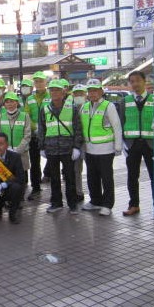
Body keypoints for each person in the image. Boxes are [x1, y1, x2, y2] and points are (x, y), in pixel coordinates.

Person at [122, 71, 154, 220]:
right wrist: (124, 144)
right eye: (132, 82)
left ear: (144, 81)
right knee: (132, 177)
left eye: (137, 81)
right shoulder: (125, 101)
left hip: (151, 144)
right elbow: (121, 122)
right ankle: (133, 205)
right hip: (132, 144)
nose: (135, 84)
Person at [38, 80, 82, 215]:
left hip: (68, 149)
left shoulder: (72, 108)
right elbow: (41, 129)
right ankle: (56, 203)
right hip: (51, 149)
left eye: (57, 90)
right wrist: (42, 147)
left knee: (70, 178)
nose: (54, 93)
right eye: (52, 90)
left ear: (63, 92)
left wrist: (76, 147)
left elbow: (77, 128)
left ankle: (72, 204)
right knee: (54, 179)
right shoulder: (44, 109)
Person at [79, 79, 122, 216]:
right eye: (90, 90)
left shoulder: (108, 106)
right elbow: (80, 128)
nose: (92, 93)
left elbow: (117, 126)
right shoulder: (84, 107)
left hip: (106, 149)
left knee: (106, 178)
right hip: (89, 149)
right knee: (92, 177)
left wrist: (118, 146)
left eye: (95, 90)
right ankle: (95, 201)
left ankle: (107, 204)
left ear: (101, 91)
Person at [0, 92, 31, 191]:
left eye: (12, 101)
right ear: (4, 104)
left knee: (21, 177)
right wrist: (4, 150)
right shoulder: (1, 116)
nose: (10, 104)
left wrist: (18, 150)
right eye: (7, 102)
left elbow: (27, 136)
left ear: (17, 103)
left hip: (21, 153)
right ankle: (9, 198)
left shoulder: (25, 116)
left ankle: (20, 197)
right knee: (7, 177)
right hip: (5, 154)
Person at [26, 71, 51, 199]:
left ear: (45, 82)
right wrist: (35, 128)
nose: (38, 83)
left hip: (50, 134)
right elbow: (26, 116)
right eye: (36, 81)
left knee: (53, 162)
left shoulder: (51, 96)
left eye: (41, 81)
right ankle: (35, 188)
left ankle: (55, 191)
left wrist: (44, 129)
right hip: (34, 136)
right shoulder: (30, 98)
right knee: (34, 163)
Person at [71, 84, 88, 201]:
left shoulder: (90, 106)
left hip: (89, 143)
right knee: (76, 169)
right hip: (76, 144)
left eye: (81, 93)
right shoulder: (70, 108)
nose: (78, 96)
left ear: (85, 95)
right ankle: (78, 192)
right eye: (76, 94)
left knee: (92, 170)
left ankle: (95, 195)